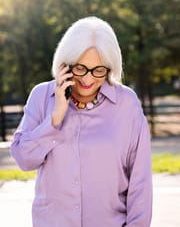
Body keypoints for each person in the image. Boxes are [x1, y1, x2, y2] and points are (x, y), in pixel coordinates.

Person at [10, 16, 153, 227]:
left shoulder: (126, 103)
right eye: (80, 68)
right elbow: (23, 159)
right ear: (65, 65)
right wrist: (56, 117)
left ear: (109, 68)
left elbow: (140, 182)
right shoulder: (42, 96)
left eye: (98, 70)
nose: (87, 79)